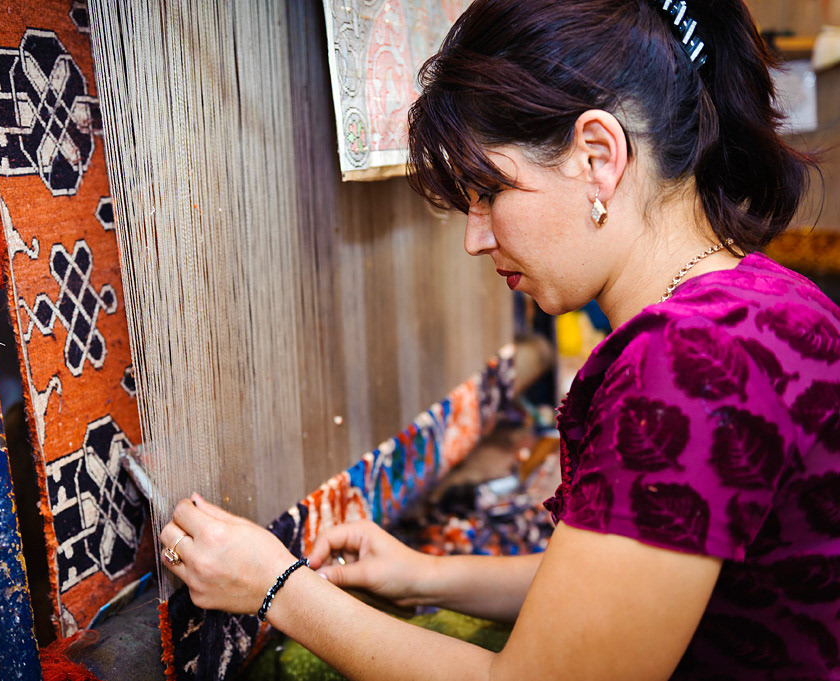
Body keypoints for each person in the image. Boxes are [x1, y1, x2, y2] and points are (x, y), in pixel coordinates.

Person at [158, 0, 840, 678]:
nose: (474, 238)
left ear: (597, 156)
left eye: (489, 191)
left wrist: (279, 588)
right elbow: (629, 586)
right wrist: (426, 575)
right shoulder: (770, 297)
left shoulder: (688, 358)